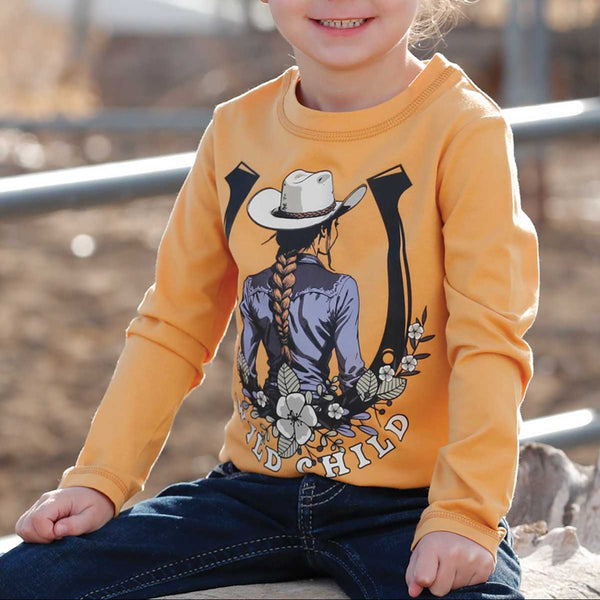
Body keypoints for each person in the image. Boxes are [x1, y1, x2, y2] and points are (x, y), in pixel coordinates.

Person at [0, 1, 539, 598]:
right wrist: (99, 477)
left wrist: (464, 512)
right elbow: (173, 323)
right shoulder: (235, 130)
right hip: (252, 496)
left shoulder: (463, 129)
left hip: (411, 508)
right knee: (21, 582)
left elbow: (489, 337)